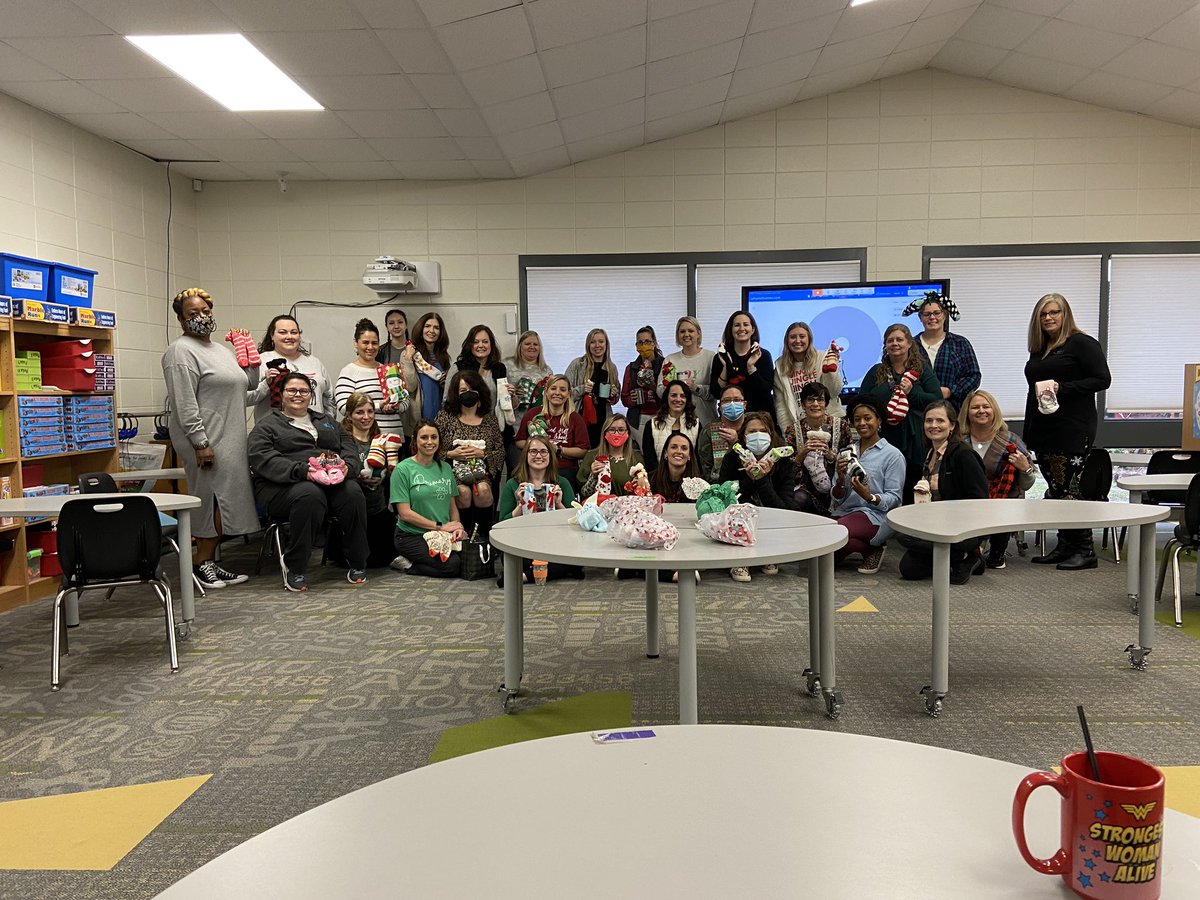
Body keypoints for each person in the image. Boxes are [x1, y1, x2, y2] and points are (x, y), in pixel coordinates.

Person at [161, 287, 258, 589]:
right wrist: (200, 443)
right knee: (210, 499)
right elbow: (184, 402)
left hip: (229, 436)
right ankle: (200, 563)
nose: (202, 317)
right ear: (180, 319)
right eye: (193, 314)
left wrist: (249, 355)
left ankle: (211, 561)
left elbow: (246, 388)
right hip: (204, 439)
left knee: (225, 501)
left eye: (205, 311)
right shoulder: (180, 352)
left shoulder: (220, 351)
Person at [247, 372, 369, 592]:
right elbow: (262, 459)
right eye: (292, 390)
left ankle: (357, 560)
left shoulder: (326, 421)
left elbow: (349, 445)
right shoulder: (267, 426)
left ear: (311, 395)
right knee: (309, 494)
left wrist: (347, 467)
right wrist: (304, 471)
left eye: (304, 391)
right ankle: (295, 566)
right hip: (283, 487)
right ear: (281, 395)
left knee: (352, 491)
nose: (298, 395)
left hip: (330, 482)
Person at [1022, 292, 1111, 571]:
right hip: (1044, 429)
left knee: (1070, 491)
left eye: (1054, 312)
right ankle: (1065, 545)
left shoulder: (1082, 344)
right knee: (1056, 490)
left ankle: (1085, 550)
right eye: (1043, 314)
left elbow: (1102, 379)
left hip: (1072, 429)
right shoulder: (1039, 349)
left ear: (1065, 314)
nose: (1048, 318)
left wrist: (1064, 388)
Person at [896, 401, 989, 585]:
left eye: (940, 420)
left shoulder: (963, 455)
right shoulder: (930, 454)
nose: (933, 426)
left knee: (907, 540)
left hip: (962, 528)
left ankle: (969, 553)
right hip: (934, 524)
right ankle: (960, 557)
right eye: (929, 421)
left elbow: (980, 500)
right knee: (909, 568)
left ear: (952, 425)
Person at [859, 323, 942, 502]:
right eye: (890, 341)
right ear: (885, 345)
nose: (895, 344)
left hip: (915, 440)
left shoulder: (921, 370)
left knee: (912, 484)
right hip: (885, 437)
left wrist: (912, 392)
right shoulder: (876, 372)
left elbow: (937, 399)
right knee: (887, 484)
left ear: (909, 343)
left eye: (899, 339)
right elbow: (861, 401)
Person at [960, 389, 1037, 569]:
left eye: (986, 406)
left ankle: (997, 550)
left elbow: (1028, 483)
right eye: (975, 407)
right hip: (967, 502)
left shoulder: (1010, 441)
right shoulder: (959, 441)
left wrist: (1024, 467)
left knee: (1004, 505)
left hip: (999, 503)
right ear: (967, 413)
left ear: (994, 411)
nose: (981, 411)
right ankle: (970, 548)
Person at [718, 412, 797, 583]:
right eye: (752, 432)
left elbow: (785, 509)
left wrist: (762, 479)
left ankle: (767, 553)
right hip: (738, 522)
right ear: (743, 436)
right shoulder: (732, 458)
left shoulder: (784, 462)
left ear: (771, 434)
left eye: (763, 431)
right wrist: (750, 479)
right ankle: (740, 559)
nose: (758, 435)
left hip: (771, 521)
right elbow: (725, 500)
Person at [830, 395, 905, 574]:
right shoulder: (846, 452)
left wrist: (869, 497)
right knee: (821, 541)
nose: (862, 423)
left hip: (875, 516)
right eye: (857, 419)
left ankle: (871, 544)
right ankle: (870, 549)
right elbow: (836, 497)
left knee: (835, 534)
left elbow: (895, 498)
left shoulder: (893, 455)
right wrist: (840, 480)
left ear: (879, 420)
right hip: (845, 513)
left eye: (868, 418)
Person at [497, 435, 580, 584]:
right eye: (533, 451)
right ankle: (543, 571)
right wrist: (520, 506)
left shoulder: (562, 483)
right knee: (510, 555)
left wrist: (559, 504)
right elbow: (501, 523)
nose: (538, 456)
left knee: (573, 557)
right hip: (523, 541)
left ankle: (522, 576)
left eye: (543, 451)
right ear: (525, 456)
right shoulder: (513, 484)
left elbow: (576, 522)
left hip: (554, 543)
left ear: (550, 456)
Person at [434, 371, 505, 541]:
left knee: (483, 491)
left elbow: (500, 450)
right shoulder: (445, 416)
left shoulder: (489, 419)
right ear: (455, 394)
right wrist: (451, 454)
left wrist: (483, 453)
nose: (468, 394)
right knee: (463, 492)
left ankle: (485, 538)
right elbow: (431, 446)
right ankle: (463, 537)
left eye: (472, 389)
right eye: (463, 390)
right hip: (452, 471)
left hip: (482, 472)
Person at [392, 420, 466, 577]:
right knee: (452, 566)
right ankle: (407, 564)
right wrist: (440, 526)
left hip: (441, 533)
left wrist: (457, 527)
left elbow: (452, 506)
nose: (429, 442)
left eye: (434, 437)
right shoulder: (402, 470)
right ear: (415, 440)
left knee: (468, 558)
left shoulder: (445, 468)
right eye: (424, 437)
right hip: (411, 535)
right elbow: (405, 513)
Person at [341, 392, 402, 569]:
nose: (366, 417)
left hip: (378, 508)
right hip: (354, 512)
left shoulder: (382, 439)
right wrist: (358, 479)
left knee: (384, 559)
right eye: (359, 412)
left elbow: (392, 468)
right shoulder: (344, 440)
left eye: (370, 411)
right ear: (349, 415)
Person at [247, 314, 335, 425]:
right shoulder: (260, 361)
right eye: (283, 332)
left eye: (294, 332)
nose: (289, 336)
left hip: (313, 432)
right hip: (275, 433)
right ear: (272, 336)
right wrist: (266, 384)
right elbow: (245, 399)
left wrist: (328, 425)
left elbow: (329, 398)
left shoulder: (315, 362)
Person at [904, 292, 981, 414]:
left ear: (945, 315)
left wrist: (951, 391)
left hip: (953, 412)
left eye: (937, 313)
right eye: (927, 314)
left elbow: (974, 376)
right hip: (917, 412)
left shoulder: (960, 343)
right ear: (920, 318)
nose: (932, 317)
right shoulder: (910, 345)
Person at [334, 318, 408, 438]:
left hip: (395, 438)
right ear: (355, 343)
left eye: (374, 343)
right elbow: (344, 407)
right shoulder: (349, 371)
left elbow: (405, 400)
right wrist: (379, 406)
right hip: (367, 439)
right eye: (365, 342)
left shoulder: (388, 370)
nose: (370, 347)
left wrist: (396, 406)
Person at [787, 382, 853, 515]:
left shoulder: (841, 426)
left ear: (826, 404)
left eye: (820, 400)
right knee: (797, 499)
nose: (815, 404)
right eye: (810, 400)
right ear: (803, 405)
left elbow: (849, 457)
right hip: (806, 487)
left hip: (836, 483)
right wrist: (801, 455)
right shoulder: (793, 430)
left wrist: (831, 456)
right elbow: (788, 472)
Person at [514, 374, 590, 489]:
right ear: (546, 391)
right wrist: (539, 447)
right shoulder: (532, 414)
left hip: (563, 468)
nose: (557, 393)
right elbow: (519, 441)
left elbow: (583, 450)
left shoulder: (575, 418)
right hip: (535, 465)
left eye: (563, 390)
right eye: (553, 388)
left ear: (569, 393)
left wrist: (558, 449)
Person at [774, 320, 845, 429]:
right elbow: (781, 406)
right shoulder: (780, 366)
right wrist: (787, 432)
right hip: (800, 426)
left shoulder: (823, 358)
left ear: (809, 339)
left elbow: (833, 392)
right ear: (787, 341)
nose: (797, 341)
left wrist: (831, 372)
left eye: (802, 336)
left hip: (830, 421)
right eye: (793, 337)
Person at [506, 330, 554, 472]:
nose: (532, 347)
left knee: (538, 470)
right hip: (514, 427)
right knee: (516, 470)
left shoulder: (546, 370)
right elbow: (499, 393)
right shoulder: (508, 365)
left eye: (535, 344)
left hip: (538, 428)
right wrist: (512, 391)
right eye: (527, 343)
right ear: (520, 346)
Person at [566, 328, 621, 448]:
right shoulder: (577, 364)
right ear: (588, 345)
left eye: (601, 341)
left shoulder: (611, 368)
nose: (597, 345)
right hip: (581, 418)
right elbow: (564, 394)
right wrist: (582, 389)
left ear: (606, 344)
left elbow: (616, 399)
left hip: (603, 420)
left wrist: (614, 394)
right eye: (593, 342)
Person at [445, 324, 510, 425]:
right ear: (470, 345)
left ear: (491, 345)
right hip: (464, 426)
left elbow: (509, 404)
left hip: (495, 427)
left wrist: (512, 396)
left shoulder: (500, 368)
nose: (481, 345)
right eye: (476, 342)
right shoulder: (458, 368)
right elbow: (447, 401)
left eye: (485, 342)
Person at [711, 310, 774, 413]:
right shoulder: (721, 356)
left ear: (752, 329)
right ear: (730, 330)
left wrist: (751, 367)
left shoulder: (763, 355)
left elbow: (765, 391)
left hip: (761, 417)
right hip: (731, 417)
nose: (741, 329)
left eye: (746, 325)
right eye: (737, 325)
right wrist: (726, 368)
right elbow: (716, 393)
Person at [659, 315, 717, 426]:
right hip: (677, 424)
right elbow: (660, 390)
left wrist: (696, 388)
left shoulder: (711, 357)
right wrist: (673, 389)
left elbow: (716, 392)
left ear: (698, 333)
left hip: (705, 422)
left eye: (691, 331)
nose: (686, 335)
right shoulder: (670, 360)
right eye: (682, 331)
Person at [374, 308, 422, 436]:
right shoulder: (380, 352)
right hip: (389, 410)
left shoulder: (415, 352)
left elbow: (414, 385)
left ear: (406, 325)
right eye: (391, 323)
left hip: (412, 410)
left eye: (400, 322)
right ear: (386, 327)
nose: (396, 326)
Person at [579, 413, 644, 500]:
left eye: (621, 430)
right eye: (612, 430)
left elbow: (644, 491)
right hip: (599, 508)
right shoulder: (592, 456)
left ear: (628, 433)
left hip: (627, 507)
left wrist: (638, 485)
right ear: (605, 433)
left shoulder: (636, 457)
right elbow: (584, 494)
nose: (616, 433)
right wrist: (593, 476)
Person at [641, 380, 700, 475]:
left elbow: (698, 459)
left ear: (687, 400)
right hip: (659, 481)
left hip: (689, 481)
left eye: (683, 396)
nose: (678, 399)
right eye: (673, 395)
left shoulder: (696, 424)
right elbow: (649, 459)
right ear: (666, 398)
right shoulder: (652, 425)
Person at [697, 384, 747, 480]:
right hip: (721, 485)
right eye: (726, 401)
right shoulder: (709, 431)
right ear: (719, 406)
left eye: (737, 400)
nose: (732, 404)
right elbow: (707, 470)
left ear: (744, 405)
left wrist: (736, 443)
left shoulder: (754, 425)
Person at [620, 326, 663, 435]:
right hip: (638, 420)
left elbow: (672, 393)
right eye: (640, 343)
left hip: (662, 417)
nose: (644, 345)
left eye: (647, 342)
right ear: (636, 346)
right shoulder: (631, 368)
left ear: (654, 343)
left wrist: (654, 388)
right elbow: (624, 398)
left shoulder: (665, 364)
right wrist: (632, 399)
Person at [411, 311, 450, 423]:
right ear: (420, 329)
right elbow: (410, 386)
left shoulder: (444, 356)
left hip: (440, 410)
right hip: (419, 412)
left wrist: (446, 384)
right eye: (427, 326)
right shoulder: (412, 354)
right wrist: (409, 360)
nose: (431, 331)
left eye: (436, 328)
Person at [649, 432, 702, 502]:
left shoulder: (700, 484)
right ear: (665, 453)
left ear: (689, 455)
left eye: (684, 448)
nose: (679, 451)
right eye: (674, 447)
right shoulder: (649, 481)